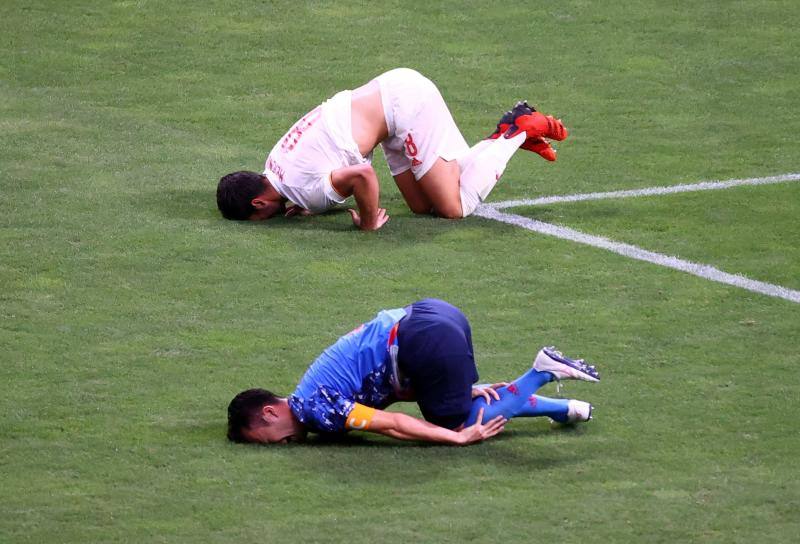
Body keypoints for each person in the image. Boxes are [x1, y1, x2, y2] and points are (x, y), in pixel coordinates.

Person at [216, 68, 568, 230]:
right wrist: (308, 203)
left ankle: (518, 129)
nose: (265, 221)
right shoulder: (273, 165)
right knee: (420, 206)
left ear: (259, 203)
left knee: (452, 207)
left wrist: (368, 222)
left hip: (406, 105)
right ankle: (505, 131)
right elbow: (312, 171)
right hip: (389, 108)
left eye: (258, 218)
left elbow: (362, 175)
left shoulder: (303, 191)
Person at [226, 299, 599, 445]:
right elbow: (393, 389)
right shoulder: (313, 388)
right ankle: (565, 410)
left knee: (455, 423)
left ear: (270, 412)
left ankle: (541, 371)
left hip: (423, 340)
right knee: (467, 400)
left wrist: (454, 439)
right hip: (434, 314)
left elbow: (391, 424)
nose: (281, 445)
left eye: (269, 438)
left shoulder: (315, 410)